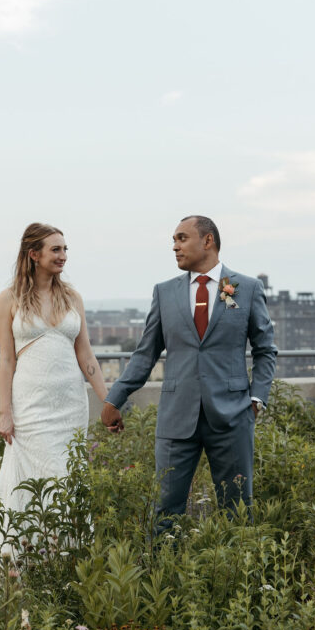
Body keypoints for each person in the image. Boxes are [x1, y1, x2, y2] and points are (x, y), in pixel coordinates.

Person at [101, 215, 277, 527]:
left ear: (207, 241)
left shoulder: (247, 289)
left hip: (233, 416)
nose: (174, 247)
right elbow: (146, 353)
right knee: (164, 511)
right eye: (174, 240)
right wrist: (115, 399)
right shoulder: (164, 292)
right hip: (176, 418)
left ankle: (237, 575)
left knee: (237, 512)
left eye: (182, 238)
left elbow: (265, 350)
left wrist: (256, 399)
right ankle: (161, 571)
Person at [0, 223, 108, 547]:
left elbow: (85, 352)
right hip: (30, 406)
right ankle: (24, 562)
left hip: (70, 405)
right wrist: (6, 412)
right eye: (56, 249)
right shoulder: (9, 299)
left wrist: (108, 401)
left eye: (65, 249)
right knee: (36, 481)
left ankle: (68, 560)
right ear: (34, 254)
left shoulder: (72, 297)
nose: (63, 256)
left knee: (68, 480)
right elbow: (6, 360)